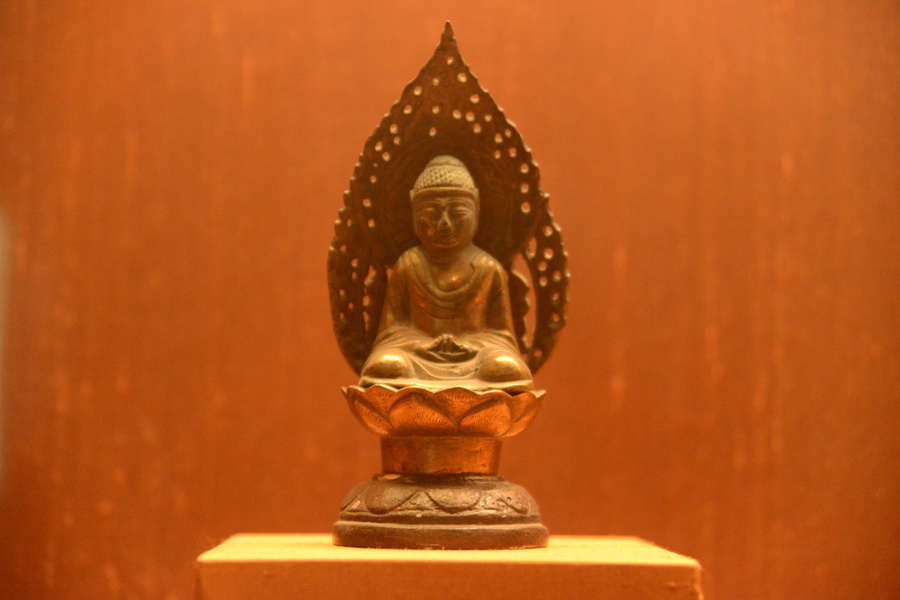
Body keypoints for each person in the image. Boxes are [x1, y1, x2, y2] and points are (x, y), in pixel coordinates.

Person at [359, 155, 533, 392]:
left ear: (477, 210)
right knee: (387, 365)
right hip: (418, 359)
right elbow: (391, 332)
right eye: (431, 213)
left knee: (505, 367)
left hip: (475, 360)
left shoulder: (488, 268)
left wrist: (468, 346)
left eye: (457, 212)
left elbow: (502, 336)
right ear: (413, 213)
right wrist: (423, 346)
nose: (444, 224)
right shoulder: (408, 265)